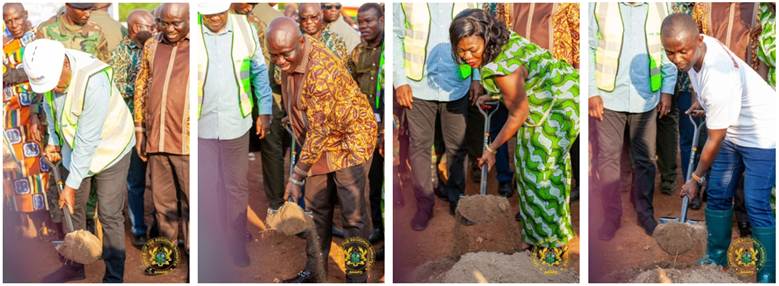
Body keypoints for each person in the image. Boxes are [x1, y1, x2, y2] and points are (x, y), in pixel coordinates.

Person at [451, 8, 580, 249]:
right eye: (461, 51)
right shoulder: (502, 41)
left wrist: (492, 148)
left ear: (486, 39)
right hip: (547, 99)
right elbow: (521, 85)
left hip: (559, 105)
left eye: (472, 50)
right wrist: (496, 95)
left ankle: (550, 245)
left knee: (541, 171)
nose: (468, 56)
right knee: (526, 161)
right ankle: (539, 234)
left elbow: (518, 113)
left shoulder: (503, 68)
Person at [662, 13, 776, 283]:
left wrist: (695, 179)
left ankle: (769, 271)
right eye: (670, 52)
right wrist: (704, 102)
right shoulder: (695, 50)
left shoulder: (717, 76)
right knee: (718, 192)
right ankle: (716, 256)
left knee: (756, 201)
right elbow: (702, 83)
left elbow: (714, 138)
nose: (678, 59)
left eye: (682, 52)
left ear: (698, 40)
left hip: (763, 132)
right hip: (732, 128)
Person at [267, 17, 377, 283]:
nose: (280, 61)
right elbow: (297, 100)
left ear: (301, 42)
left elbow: (320, 131)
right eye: (274, 55)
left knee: (353, 215)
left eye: (285, 54)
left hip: (350, 141)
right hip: (319, 140)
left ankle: (356, 276)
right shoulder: (288, 56)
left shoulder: (321, 70)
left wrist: (297, 175)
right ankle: (315, 272)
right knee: (316, 209)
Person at [25, 39, 134, 282]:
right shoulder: (52, 73)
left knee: (109, 213)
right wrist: (53, 140)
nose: (52, 88)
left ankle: (114, 277)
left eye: (54, 83)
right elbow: (51, 109)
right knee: (71, 211)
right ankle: (74, 267)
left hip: (111, 148)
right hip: (75, 149)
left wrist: (71, 185)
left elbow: (88, 140)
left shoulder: (93, 80)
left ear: (65, 64)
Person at [195, 2, 273, 274]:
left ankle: (237, 241)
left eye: (220, 11)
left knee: (235, 186)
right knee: (207, 186)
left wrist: (264, 109)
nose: (215, 18)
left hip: (235, 123)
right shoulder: (192, 29)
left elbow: (259, 71)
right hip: (200, 125)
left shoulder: (245, 28)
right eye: (208, 13)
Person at [589, 3, 677, 240]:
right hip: (608, 97)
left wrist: (667, 90)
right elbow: (589, 46)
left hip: (646, 97)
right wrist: (591, 91)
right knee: (608, 158)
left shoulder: (662, 5)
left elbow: (669, 47)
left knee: (645, 160)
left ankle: (645, 213)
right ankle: (611, 217)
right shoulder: (597, 4)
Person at [394, 3, 479, 231]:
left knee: (457, 147)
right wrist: (399, 80)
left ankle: (457, 202)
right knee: (420, 147)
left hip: (457, 84)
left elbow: (478, 35)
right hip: (417, 86)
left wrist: (476, 77)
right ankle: (424, 204)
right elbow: (395, 35)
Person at [134, 3, 190, 252]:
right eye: (164, 23)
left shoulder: (199, 47)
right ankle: (166, 252)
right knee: (162, 200)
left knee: (190, 200)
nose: (169, 29)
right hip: (157, 136)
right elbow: (142, 84)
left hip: (187, 140)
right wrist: (139, 128)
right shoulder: (152, 45)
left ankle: (192, 252)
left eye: (176, 23)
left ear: (188, 19)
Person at [232, 3, 289, 213]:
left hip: (267, 93)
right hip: (237, 95)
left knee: (271, 148)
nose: (249, 6)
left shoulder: (271, 17)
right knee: (236, 150)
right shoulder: (219, 16)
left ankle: (276, 205)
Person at [3, 3, 51, 238]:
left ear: (26, 16)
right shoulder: (3, 43)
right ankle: (29, 220)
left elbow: (44, 70)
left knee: (42, 167)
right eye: (8, 20)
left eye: (17, 19)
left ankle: (48, 220)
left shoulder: (39, 40)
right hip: (11, 118)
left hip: (36, 113)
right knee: (18, 169)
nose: (13, 24)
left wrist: (12, 74)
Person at [110, 9, 155, 247]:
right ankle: (138, 227)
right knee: (135, 180)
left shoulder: (158, 47)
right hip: (131, 127)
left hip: (159, 125)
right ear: (136, 28)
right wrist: (146, 88)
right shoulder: (120, 54)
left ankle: (161, 224)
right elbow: (117, 89)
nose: (155, 29)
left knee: (160, 180)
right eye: (151, 25)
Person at [347, 2, 384, 244]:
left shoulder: (389, 52)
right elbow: (348, 88)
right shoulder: (357, 53)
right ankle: (377, 231)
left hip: (388, 129)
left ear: (381, 19)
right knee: (367, 182)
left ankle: (388, 234)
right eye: (360, 22)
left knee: (384, 184)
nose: (364, 26)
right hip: (363, 129)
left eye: (369, 21)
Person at [35, 3, 110, 62]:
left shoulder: (96, 31)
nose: (88, 14)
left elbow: (105, 63)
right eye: (83, 10)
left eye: (90, 9)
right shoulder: (45, 30)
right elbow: (37, 64)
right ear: (68, 5)